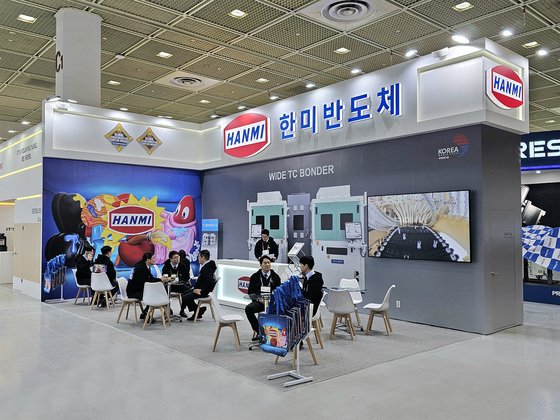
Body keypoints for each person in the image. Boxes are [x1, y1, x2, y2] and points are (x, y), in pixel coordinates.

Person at [245, 255, 281, 340]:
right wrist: (259, 299)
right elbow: (250, 292)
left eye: (269, 263)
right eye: (265, 263)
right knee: (248, 309)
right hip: (260, 302)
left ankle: (274, 333)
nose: (267, 265)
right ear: (261, 264)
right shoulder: (255, 276)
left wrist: (271, 300)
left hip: (272, 303)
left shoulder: (276, 277)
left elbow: (279, 292)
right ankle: (260, 331)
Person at [127, 252, 170, 319]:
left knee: (156, 293)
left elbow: (150, 278)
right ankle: (146, 314)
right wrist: (160, 280)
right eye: (153, 258)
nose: (154, 260)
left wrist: (160, 280)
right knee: (153, 296)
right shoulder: (140, 268)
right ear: (148, 260)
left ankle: (145, 312)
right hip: (134, 292)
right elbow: (146, 281)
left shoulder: (145, 266)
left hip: (141, 289)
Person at [179, 249, 217, 320]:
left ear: (203, 258)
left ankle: (197, 311)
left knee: (185, 297)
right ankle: (198, 311)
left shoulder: (206, 269)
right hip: (200, 288)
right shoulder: (208, 267)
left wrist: (201, 291)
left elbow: (210, 282)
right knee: (184, 293)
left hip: (203, 291)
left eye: (199, 257)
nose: (198, 259)